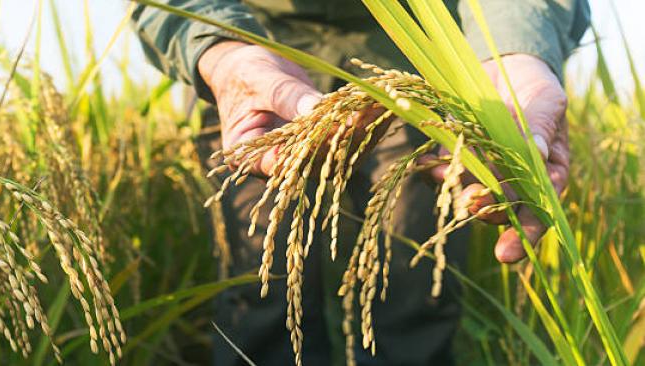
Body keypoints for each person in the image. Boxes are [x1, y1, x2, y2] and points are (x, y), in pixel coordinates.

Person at [131, 1, 589, 364]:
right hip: (254, 48)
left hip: (413, 54)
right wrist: (222, 49)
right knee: (259, 288)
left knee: (412, 286)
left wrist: (515, 52)